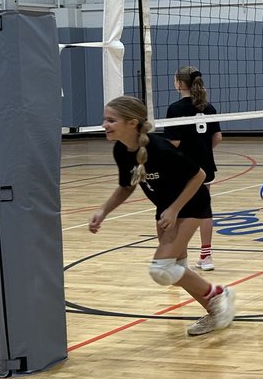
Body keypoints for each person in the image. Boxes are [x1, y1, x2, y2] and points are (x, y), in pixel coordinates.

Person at [89, 96, 235, 337]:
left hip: (191, 205)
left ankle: (219, 294)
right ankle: (215, 312)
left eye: (111, 120)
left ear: (132, 122)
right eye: (105, 119)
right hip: (166, 209)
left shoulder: (160, 148)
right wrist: (103, 211)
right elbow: (127, 186)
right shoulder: (121, 150)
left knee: (161, 270)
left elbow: (198, 175)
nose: (105, 124)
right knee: (177, 270)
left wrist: (175, 209)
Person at [165, 66, 222, 271]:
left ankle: (180, 258)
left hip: (184, 168)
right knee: (204, 210)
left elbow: (175, 143)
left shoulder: (175, 109)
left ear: (179, 83)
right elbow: (218, 137)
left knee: (180, 210)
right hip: (206, 167)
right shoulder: (209, 108)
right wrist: (204, 150)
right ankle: (206, 257)